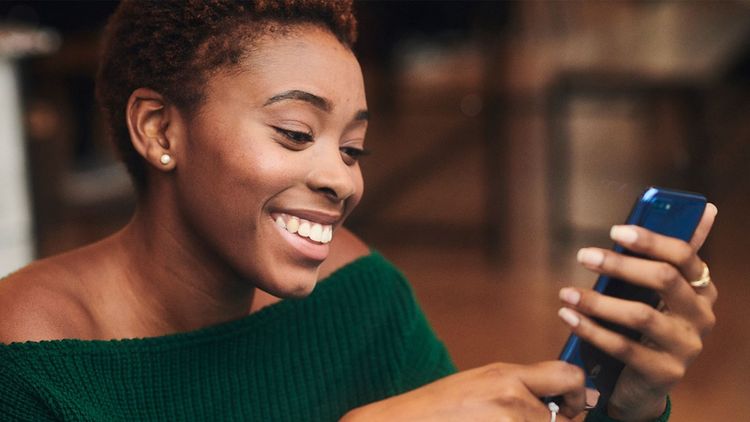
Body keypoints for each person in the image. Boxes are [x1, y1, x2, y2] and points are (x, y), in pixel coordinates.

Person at [0, 1, 718, 421]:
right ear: (160, 130)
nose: (341, 181)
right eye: (294, 133)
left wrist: (629, 404)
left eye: (354, 149)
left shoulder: (359, 299)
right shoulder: (33, 361)